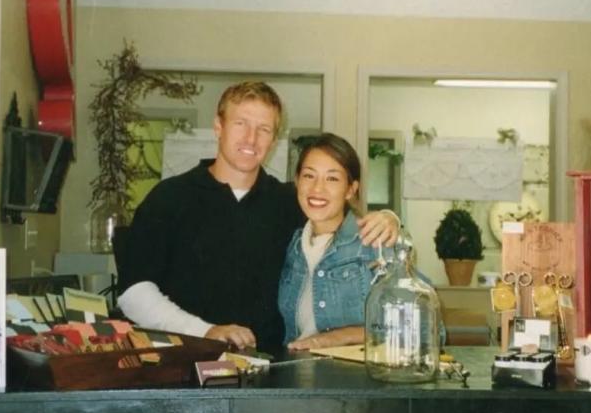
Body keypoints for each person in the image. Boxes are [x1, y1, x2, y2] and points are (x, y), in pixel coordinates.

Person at [116, 81, 398, 351]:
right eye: (241, 124)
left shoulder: (290, 202)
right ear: (218, 126)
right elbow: (134, 294)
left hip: (269, 378)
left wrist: (389, 219)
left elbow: (342, 223)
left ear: (274, 140)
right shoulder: (169, 198)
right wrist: (206, 331)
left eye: (263, 129)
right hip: (184, 371)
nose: (251, 138)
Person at [277, 133, 377, 351]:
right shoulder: (292, 246)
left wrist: (331, 339)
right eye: (309, 176)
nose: (317, 188)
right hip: (296, 377)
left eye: (332, 178)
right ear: (297, 181)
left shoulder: (374, 243)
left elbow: (427, 328)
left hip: (354, 381)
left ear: (351, 189)